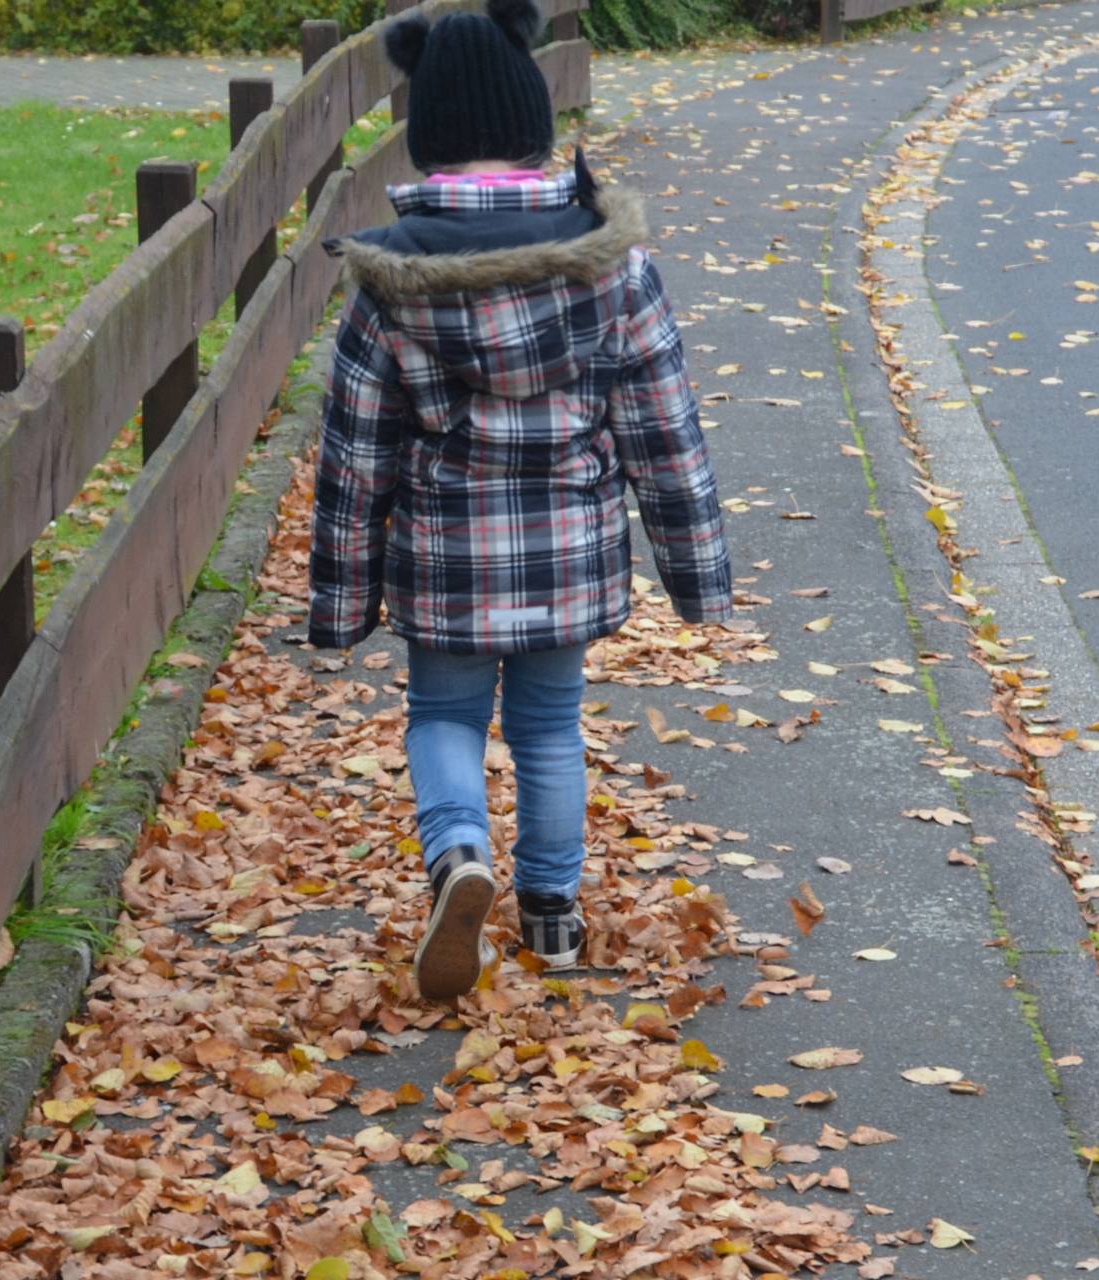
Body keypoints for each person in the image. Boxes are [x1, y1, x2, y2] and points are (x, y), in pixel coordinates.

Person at [308, 0, 732, 1003]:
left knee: (443, 715)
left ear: (430, 133)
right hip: (569, 549)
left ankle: (458, 853)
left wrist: (340, 600)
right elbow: (663, 428)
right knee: (547, 723)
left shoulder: (394, 279)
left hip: (446, 557)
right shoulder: (610, 265)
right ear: (533, 124)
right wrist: (695, 574)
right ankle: (554, 914)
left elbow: (357, 455)